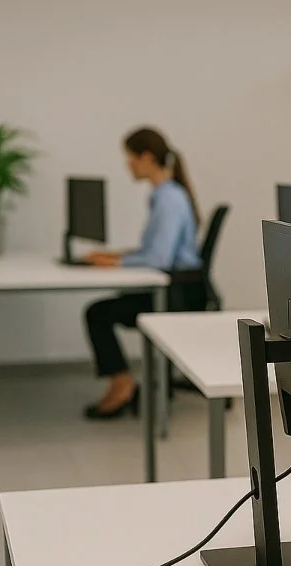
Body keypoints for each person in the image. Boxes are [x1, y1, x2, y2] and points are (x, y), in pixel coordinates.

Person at [81, 127, 202, 420]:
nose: (128, 165)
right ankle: (122, 383)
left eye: (130, 158)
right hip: (176, 286)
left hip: (178, 294)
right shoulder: (165, 194)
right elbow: (154, 250)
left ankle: (122, 386)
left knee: (98, 313)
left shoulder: (169, 199)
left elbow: (159, 258)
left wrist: (115, 264)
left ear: (147, 158)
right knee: (104, 309)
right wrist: (116, 255)